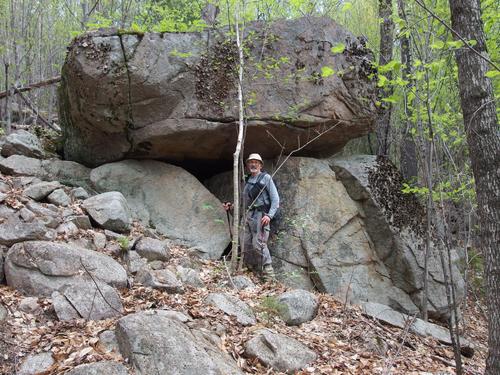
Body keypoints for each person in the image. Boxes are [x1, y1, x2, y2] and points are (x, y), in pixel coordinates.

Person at [223, 153, 279, 280]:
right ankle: (252, 270)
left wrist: (269, 216)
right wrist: (231, 207)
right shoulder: (247, 179)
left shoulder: (266, 178)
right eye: (251, 162)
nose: (253, 164)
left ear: (260, 165)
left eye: (256, 162)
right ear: (247, 165)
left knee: (258, 244)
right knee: (245, 242)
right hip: (247, 215)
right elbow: (243, 201)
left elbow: (275, 199)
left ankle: (269, 274)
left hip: (261, 216)